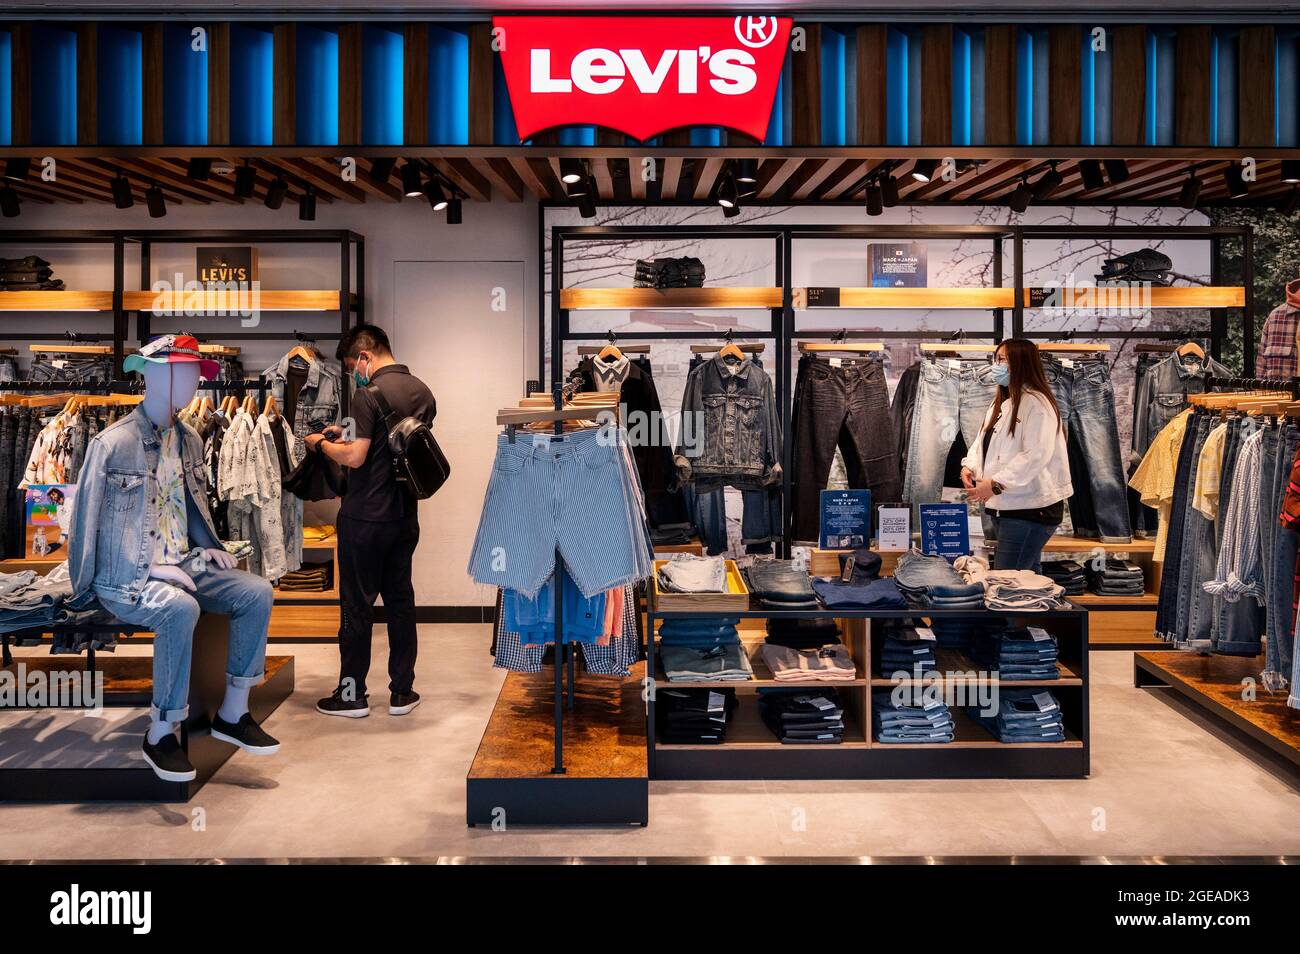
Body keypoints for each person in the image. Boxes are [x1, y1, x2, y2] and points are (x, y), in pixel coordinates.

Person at [306, 325, 435, 719]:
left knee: (357, 607)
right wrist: (345, 431)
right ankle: (402, 693)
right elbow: (393, 445)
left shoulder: (367, 394)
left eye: (352, 366)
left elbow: (357, 458)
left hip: (363, 519)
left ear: (365, 356)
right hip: (403, 517)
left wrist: (321, 444)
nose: (354, 374)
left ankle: (352, 695)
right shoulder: (422, 392)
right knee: (400, 602)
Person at [960, 338, 1072, 572]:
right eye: (997, 359)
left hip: (1031, 509)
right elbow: (983, 442)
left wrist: (996, 485)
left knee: (1007, 581)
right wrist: (969, 466)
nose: (997, 365)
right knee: (1027, 580)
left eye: (1003, 360)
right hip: (1010, 506)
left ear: (1022, 364)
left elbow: (1035, 455)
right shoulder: (1002, 402)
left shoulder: (1037, 404)